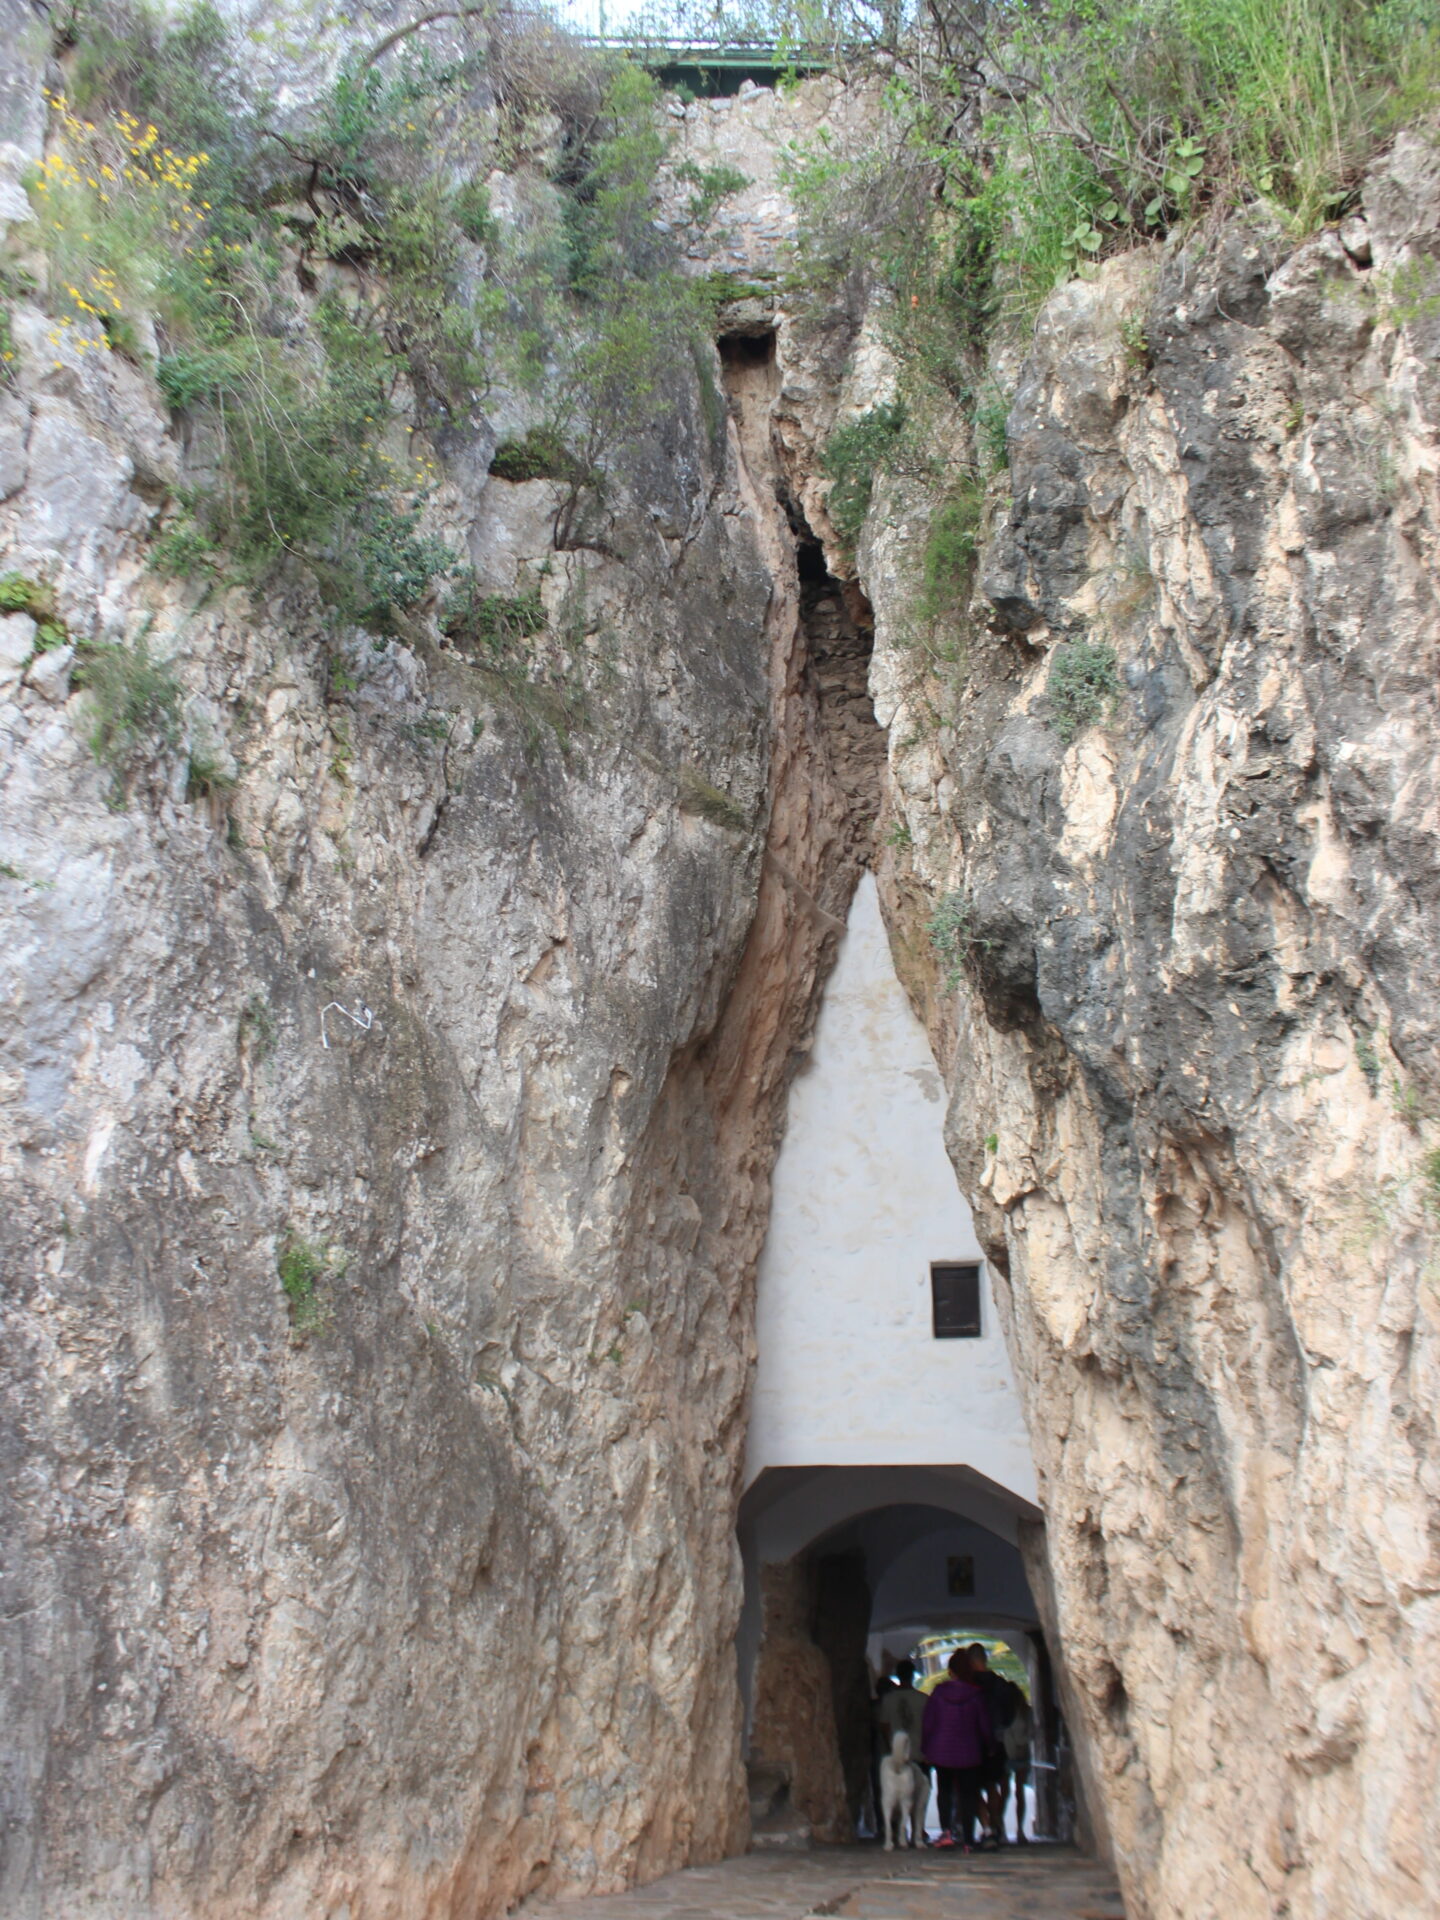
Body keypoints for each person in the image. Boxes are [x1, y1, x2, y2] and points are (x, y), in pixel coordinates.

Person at [920, 1649, 993, 1851]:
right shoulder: (976, 1695)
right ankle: (968, 1839)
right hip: (969, 1751)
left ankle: (946, 1833)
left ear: (950, 1671)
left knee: (944, 1791)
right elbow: (984, 1724)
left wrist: (926, 1748)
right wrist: (989, 1745)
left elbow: (929, 1723)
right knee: (968, 1794)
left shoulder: (938, 1694)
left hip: (941, 1750)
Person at [965, 1644, 1015, 1846]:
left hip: (972, 1742)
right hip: (996, 1740)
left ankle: (986, 1826)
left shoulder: (968, 1686)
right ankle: (995, 1825)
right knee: (993, 1785)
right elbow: (1009, 1715)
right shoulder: (1001, 1685)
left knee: (973, 1787)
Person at [875, 1659, 931, 1838]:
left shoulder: (888, 1700)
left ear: (897, 1675)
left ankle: (899, 1829)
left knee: (894, 1794)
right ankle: (918, 1828)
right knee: (920, 1794)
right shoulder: (923, 1699)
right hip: (919, 1753)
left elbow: (884, 1725)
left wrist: (891, 1746)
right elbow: (930, 1727)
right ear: (913, 1675)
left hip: (897, 1755)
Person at [1001, 1682, 1034, 1843]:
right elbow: (1032, 1732)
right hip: (1019, 1754)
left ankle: (1001, 1828)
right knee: (1014, 1792)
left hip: (1009, 1754)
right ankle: (1015, 1828)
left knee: (1006, 1792)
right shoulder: (1026, 1712)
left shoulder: (1005, 1712)